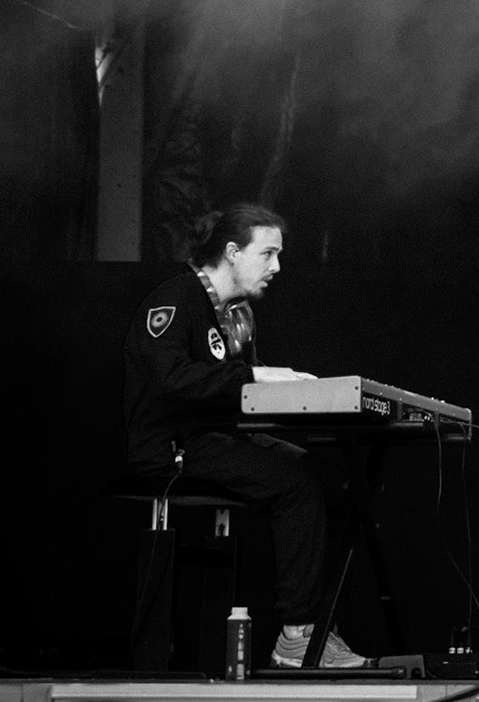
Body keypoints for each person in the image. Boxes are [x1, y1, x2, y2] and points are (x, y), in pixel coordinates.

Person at [123, 202, 369, 670]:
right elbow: (171, 379)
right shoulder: (174, 301)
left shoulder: (238, 315)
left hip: (222, 437)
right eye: (268, 254)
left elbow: (243, 393)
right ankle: (296, 635)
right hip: (174, 446)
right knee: (294, 486)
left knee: (337, 482)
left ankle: (317, 627)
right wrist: (257, 378)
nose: (277, 267)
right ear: (233, 252)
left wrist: (304, 394)